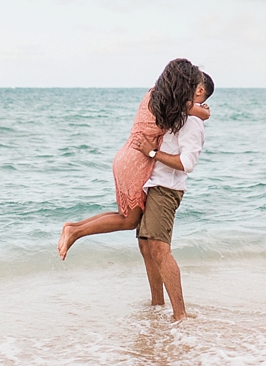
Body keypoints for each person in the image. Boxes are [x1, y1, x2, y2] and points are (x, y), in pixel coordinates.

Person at [57, 59, 209, 260]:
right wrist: (204, 108)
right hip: (137, 159)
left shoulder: (156, 93)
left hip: (127, 156)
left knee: (124, 216)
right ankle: (75, 232)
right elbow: (204, 114)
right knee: (128, 221)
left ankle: (73, 227)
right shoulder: (171, 102)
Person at [131, 72, 213, 321]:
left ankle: (180, 314)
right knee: (146, 246)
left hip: (167, 189)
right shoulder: (182, 114)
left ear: (199, 91)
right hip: (154, 185)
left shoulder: (192, 123)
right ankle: (157, 304)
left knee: (159, 248)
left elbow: (187, 163)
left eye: (192, 82)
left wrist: (153, 153)